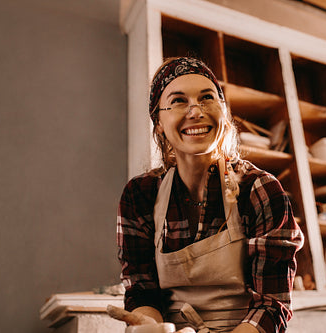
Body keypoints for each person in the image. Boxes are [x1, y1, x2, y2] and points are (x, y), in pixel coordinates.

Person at [116, 57, 304, 333]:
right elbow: (142, 291)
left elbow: (271, 306)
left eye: (207, 98)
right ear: (158, 122)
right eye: (179, 101)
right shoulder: (139, 195)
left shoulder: (260, 189)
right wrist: (150, 326)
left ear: (223, 112)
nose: (196, 111)